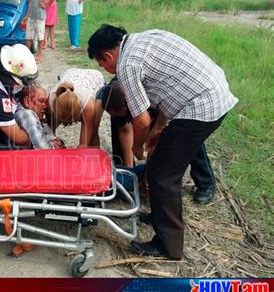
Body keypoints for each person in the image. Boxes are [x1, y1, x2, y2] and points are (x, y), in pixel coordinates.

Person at [88, 24, 238, 260]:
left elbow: (141, 120)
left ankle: (168, 246)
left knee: (162, 174)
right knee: (161, 164)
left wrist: (138, 146)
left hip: (203, 105)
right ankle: (159, 216)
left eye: (102, 64)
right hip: (213, 91)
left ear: (107, 55)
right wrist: (158, 130)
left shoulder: (127, 65)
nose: (105, 69)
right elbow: (169, 92)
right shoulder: (145, 38)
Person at [101, 78, 219, 204]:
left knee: (188, 138)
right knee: (126, 124)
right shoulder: (117, 94)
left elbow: (156, 137)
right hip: (138, 102)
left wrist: (147, 177)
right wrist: (130, 173)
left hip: (190, 100)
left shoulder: (153, 97)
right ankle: (130, 175)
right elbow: (125, 130)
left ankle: (206, 183)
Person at [49, 68, 105, 148]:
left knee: (93, 131)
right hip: (71, 73)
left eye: (69, 121)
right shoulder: (51, 102)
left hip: (94, 78)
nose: (65, 124)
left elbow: (83, 144)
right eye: (61, 120)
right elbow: (47, 136)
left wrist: (74, 159)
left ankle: (94, 158)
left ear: (78, 113)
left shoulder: (88, 106)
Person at [15, 82, 64, 149]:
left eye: (46, 102)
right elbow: (43, 147)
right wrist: (56, 147)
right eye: (41, 101)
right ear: (27, 101)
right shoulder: (27, 114)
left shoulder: (30, 114)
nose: (45, 106)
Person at [24, 0, 56, 64]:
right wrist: (27, 15)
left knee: (40, 37)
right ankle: (27, 55)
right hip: (31, 16)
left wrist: (46, 5)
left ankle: (39, 55)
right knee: (28, 36)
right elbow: (30, 3)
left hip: (40, 16)